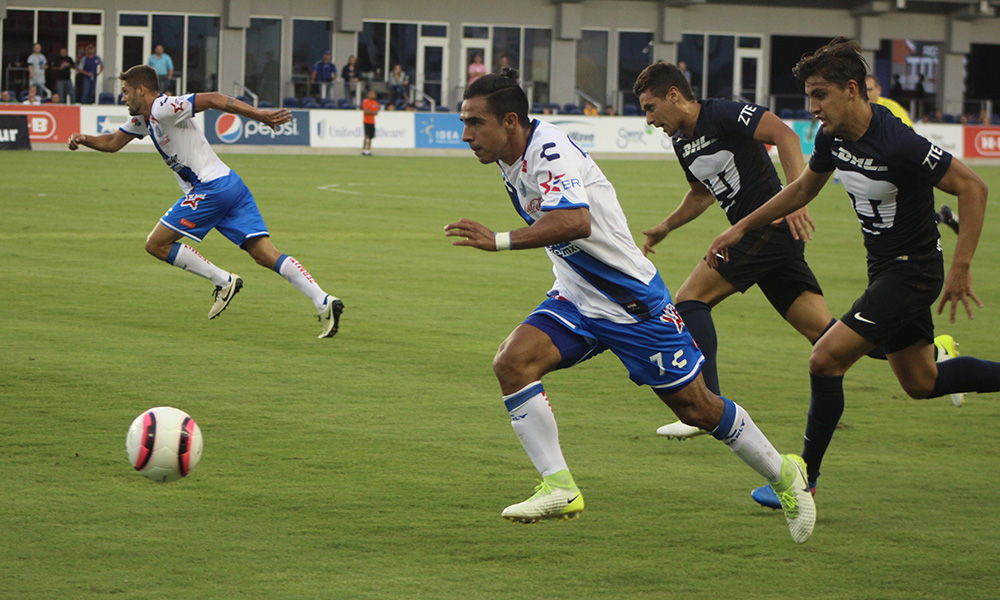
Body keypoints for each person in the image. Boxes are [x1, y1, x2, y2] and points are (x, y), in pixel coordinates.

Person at [444, 68, 815, 544]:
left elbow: (575, 221)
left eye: (475, 123)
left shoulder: (548, 152)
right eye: (464, 123)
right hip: (577, 296)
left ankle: (784, 476)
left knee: (698, 409)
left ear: (510, 120)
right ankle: (560, 487)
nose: (466, 134)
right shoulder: (507, 155)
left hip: (632, 304)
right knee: (512, 363)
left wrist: (497, 240)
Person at [705, 38, 1000, 509]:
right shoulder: (832, 139)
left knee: (825, 358)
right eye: (809, 96)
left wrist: (961, 269)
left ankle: (804, 479)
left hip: (913, 272)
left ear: (851, 89)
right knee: (921, 382)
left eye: (820, 95)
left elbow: (973, 187)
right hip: (884, 270)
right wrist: (741, 226)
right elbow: (802, 189)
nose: (813, 107)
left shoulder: (899, 141)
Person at [633, 61, 844, 441]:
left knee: (690, 298)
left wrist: (797, 197)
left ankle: (705, 406)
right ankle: (928, 354)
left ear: (674, 95)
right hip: (764, 238)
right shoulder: (682, 141)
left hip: (769, 227)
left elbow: (786, 136)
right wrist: (667, 226)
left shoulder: (723, 114)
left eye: (651, 108)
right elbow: (702, 193)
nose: (649, 120)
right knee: (830, 338)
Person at [66, 65, 344, 338]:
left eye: (126, 91)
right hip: (231, 184)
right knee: (263, 254)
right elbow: (114, 142)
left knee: (156, 244)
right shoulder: (144, 119)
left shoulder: (164, 106)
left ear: (141, 90)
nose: (122, 97)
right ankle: (323, 300)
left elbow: (212, 98)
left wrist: (259, 115)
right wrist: (84, 139)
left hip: (211, 188)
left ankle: (223, 280)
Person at [361, 89, 379, 156]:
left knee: (371, 137)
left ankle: (368, 150)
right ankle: (363, 150)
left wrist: (370, 112)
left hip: (372, 122)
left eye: (373, 94)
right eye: (370, 94)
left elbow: (376, 112)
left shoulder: (375, 103)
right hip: (366, 121)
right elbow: (366, 111)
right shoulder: (365, 102)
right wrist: (372, 112)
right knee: (366, 136)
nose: (372, 95)